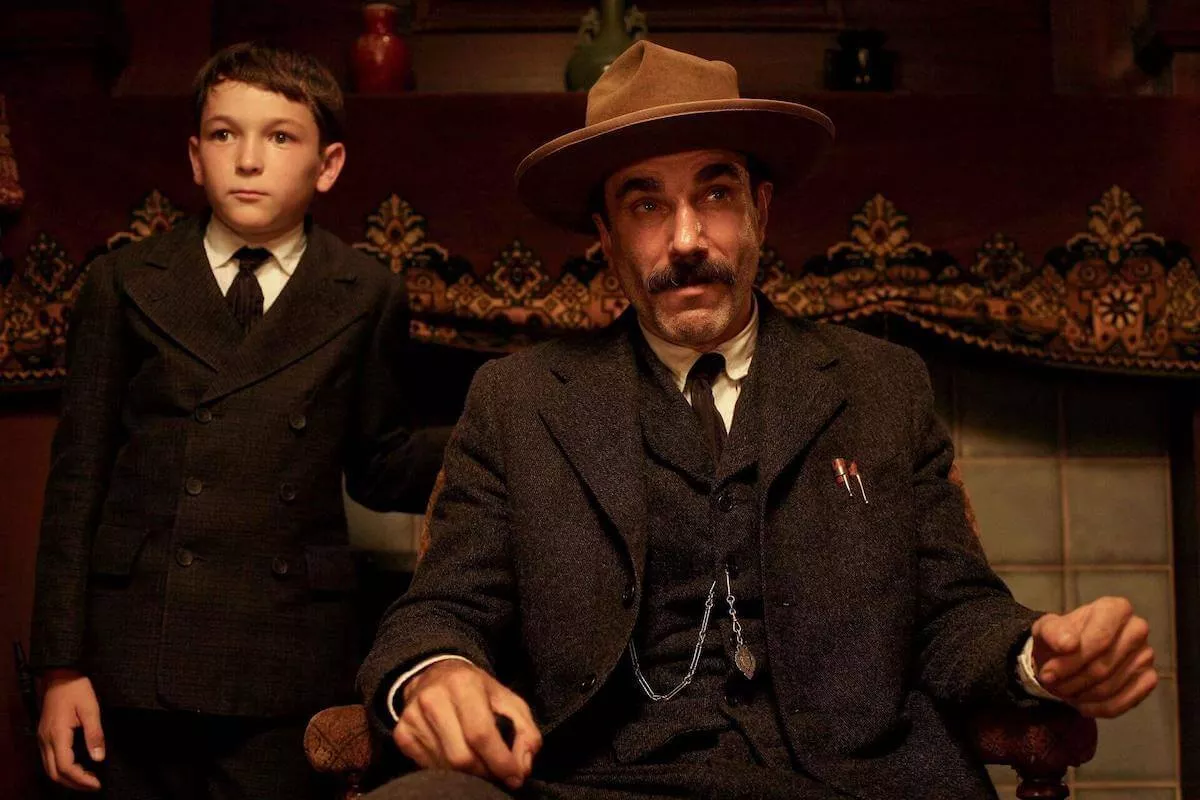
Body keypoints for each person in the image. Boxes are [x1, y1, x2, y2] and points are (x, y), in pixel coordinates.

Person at [357, 42, 1157, 799]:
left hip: (855, 784)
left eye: (715, 194)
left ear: (760, 209)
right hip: (594, 782)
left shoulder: (880, 386)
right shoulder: (519, 401)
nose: (687, 239)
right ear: (604, 236)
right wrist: (436, 674)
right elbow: (441, 611)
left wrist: (1039, 655)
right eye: (646, 204)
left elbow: (953, 612)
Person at [30, 42, 445, 798]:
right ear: (196, 156)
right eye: (225, 134)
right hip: (138, 649)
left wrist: (498, 432)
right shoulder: (124, 281)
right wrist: (60, 667)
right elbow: (77, 481)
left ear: (328, 165)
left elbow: (379, 462)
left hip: (285, 651)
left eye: (280, 136)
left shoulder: (366, 292)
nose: (248, 160)